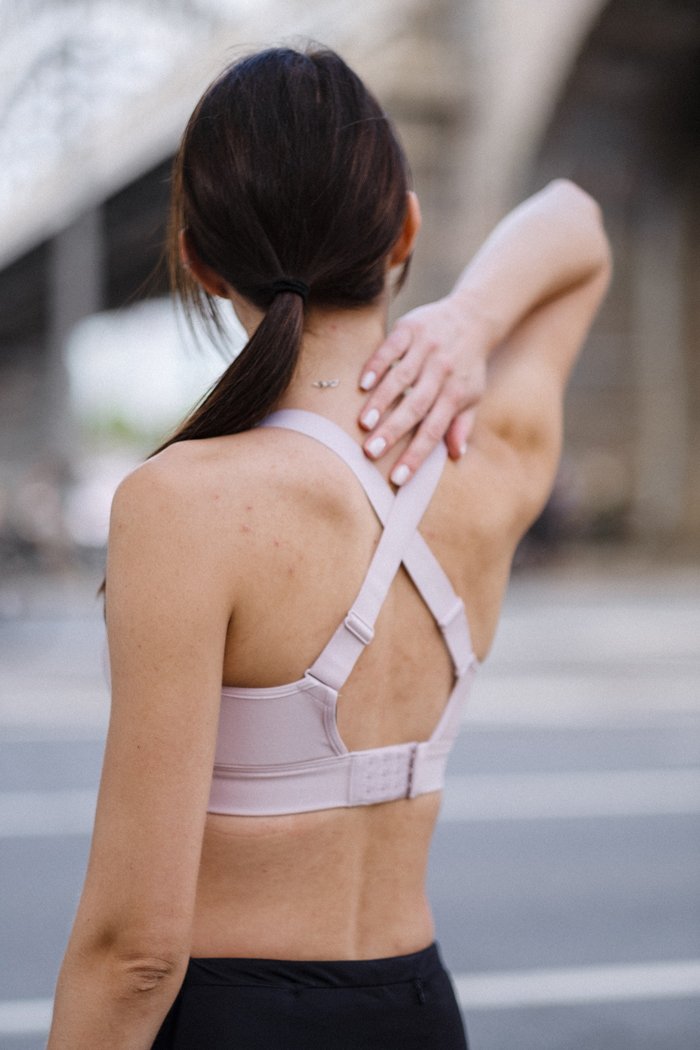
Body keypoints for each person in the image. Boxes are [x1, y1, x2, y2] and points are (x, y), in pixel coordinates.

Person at [47, 45, 611, 1050]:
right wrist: (469, 318)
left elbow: (135, 952)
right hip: (419, 1012)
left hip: (235, 1021)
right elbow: (576, 223)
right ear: (405, 230)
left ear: (198, 259)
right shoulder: (489, 459)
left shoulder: (183, 505)